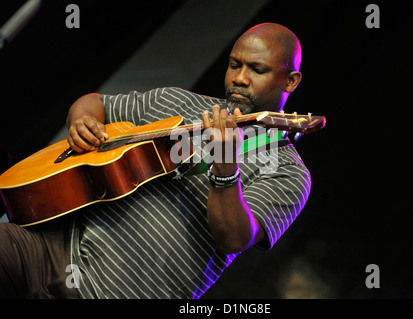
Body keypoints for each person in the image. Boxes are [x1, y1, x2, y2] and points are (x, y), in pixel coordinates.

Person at [0, 22, 311, 299]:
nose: (240, 78)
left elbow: (233, 238)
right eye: (234, 65)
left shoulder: (288, 170)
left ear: (291, 81)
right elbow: (94, 103)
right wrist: (83, 121)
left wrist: (226, 167)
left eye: (256, 70)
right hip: (50, 250)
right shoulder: (177, 101)